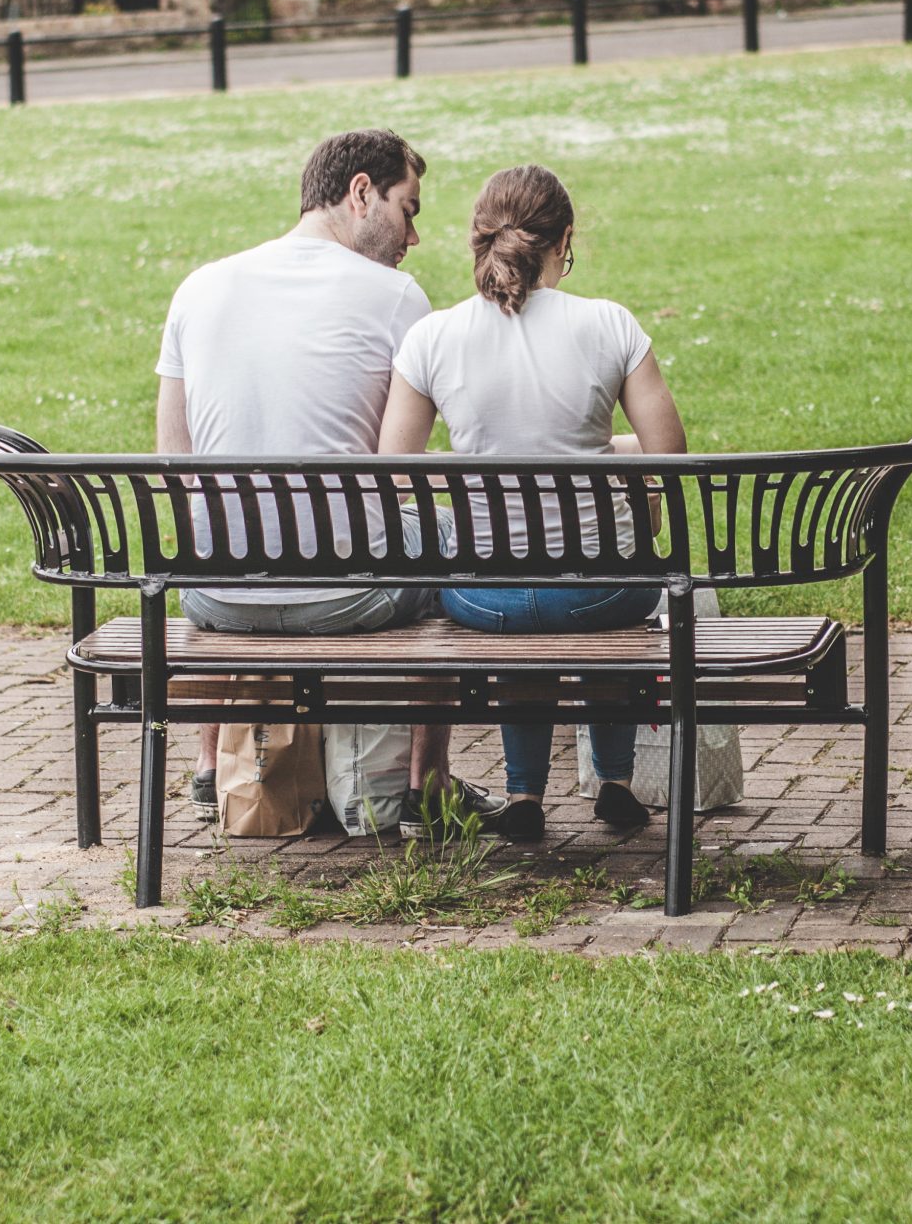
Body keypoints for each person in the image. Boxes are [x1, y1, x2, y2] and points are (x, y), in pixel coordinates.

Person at [155, 127, 495, 834]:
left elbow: (176, 461)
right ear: (361, 193)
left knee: (228, 526)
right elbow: (399, 470)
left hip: (216, 595)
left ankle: (210, 762)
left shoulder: (199, 287)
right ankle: (424, 784)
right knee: (448, 549)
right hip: (348, 595)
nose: (414, 234)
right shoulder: (396, 296)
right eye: (409, 208)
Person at [377, 163, 688, 842]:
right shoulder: (609, 325)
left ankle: (524, 792)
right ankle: (613, 780)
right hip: (605, 594)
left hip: (485, 598)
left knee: (520, 615)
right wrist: (611, 455)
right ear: (564, 238)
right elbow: (670, 455)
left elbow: (395, 472)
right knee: (610, 593)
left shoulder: (433, 337)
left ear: (479, 240)